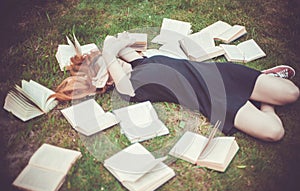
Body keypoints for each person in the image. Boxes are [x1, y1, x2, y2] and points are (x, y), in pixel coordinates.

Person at [51, 33, 299, 142]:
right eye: (108, 66)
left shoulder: (139, 60)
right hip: (216, 99)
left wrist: (110, 52)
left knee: (292, 93)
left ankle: (267, 83)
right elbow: (111, 51)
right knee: (275, 132)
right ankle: (264, 101)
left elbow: (118, 41)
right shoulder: (132, 87)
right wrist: (107, 55)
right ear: (105, 80)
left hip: (223, 73)